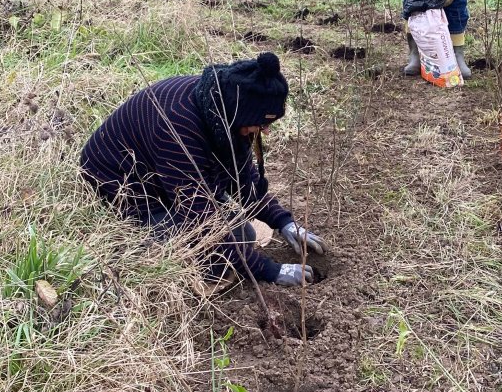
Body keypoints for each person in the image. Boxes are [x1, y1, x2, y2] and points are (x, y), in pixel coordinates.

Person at [79, 52, 327, 287]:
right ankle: (139, 244)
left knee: (244, 234)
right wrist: (269, 270)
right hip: (122, 187)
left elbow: (242, 177)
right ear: (240, 116)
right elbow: (204, 221)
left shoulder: (223, 108)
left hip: (166, 175)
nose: (265, 131)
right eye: (260, 124)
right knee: (214, 262)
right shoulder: (178, 129)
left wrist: (284, 223)